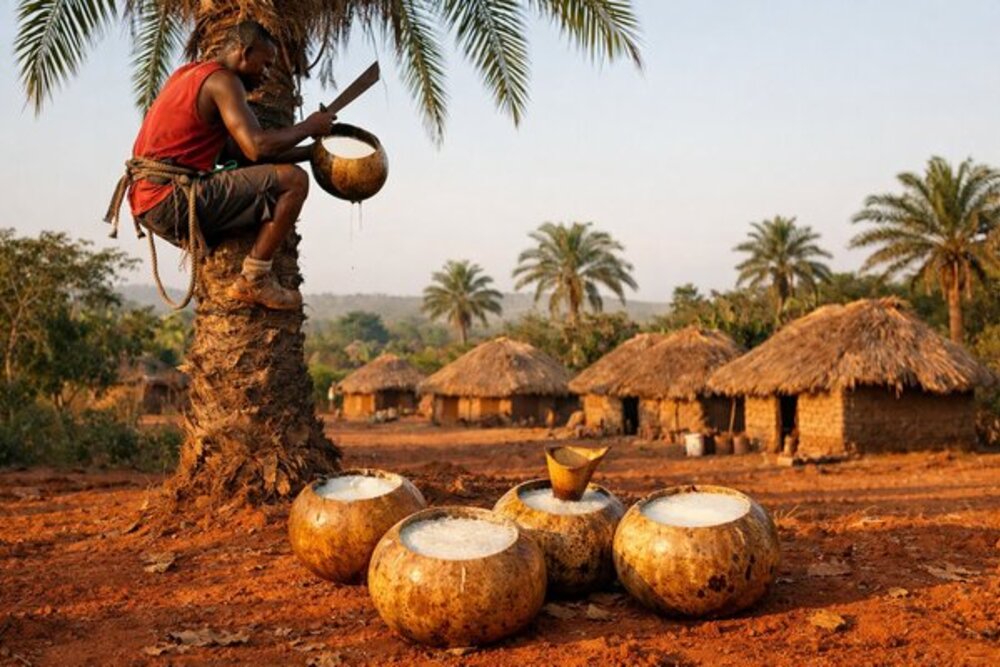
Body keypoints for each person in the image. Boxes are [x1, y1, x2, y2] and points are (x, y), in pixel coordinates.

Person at [118, 20, 336, 310]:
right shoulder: (224, 81)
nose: (268, 74)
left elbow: (239, 153)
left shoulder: (188, 74)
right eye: (266, 64)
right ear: (245, 52)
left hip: (148, 202)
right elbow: (257, 148)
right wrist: (309, 126)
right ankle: (255, 278)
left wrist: (310, 152)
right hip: (171, 199)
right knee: (295, 182)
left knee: (271, 177)